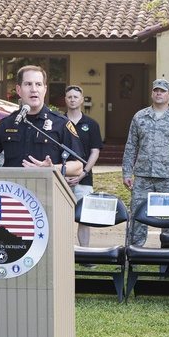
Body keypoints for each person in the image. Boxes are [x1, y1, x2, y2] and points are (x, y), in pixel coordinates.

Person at [0, 65, 84, 177]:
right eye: (28, 84)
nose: (33, 89)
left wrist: (53, 168)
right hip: (12, 192)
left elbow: (78, 166)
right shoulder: (7, 123)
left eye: (38, 84)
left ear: (44, 90)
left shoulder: (61, 123)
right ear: (19, 90)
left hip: (45, 192)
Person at [122, 78, 169, 247]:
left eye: (163, 91)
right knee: (137, 215)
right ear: (151, 93)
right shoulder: (140, 117)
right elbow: (131, 146)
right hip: (143, 177)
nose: (159, 93)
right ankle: (133, 252)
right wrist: (127, 172)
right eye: (156, 90)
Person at [65, 85, 103, 248]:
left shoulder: (91, 124)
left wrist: (84, 172)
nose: (72, 99)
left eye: (76, 97)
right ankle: (64, 255)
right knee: (63, 219)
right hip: (62, 178)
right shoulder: (58, 122)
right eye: (69, 97)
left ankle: (85, 254)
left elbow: (95, 152)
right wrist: (63, 175)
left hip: (84, 179)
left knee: (84, 218)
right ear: (65, 100)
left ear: (81, 99)